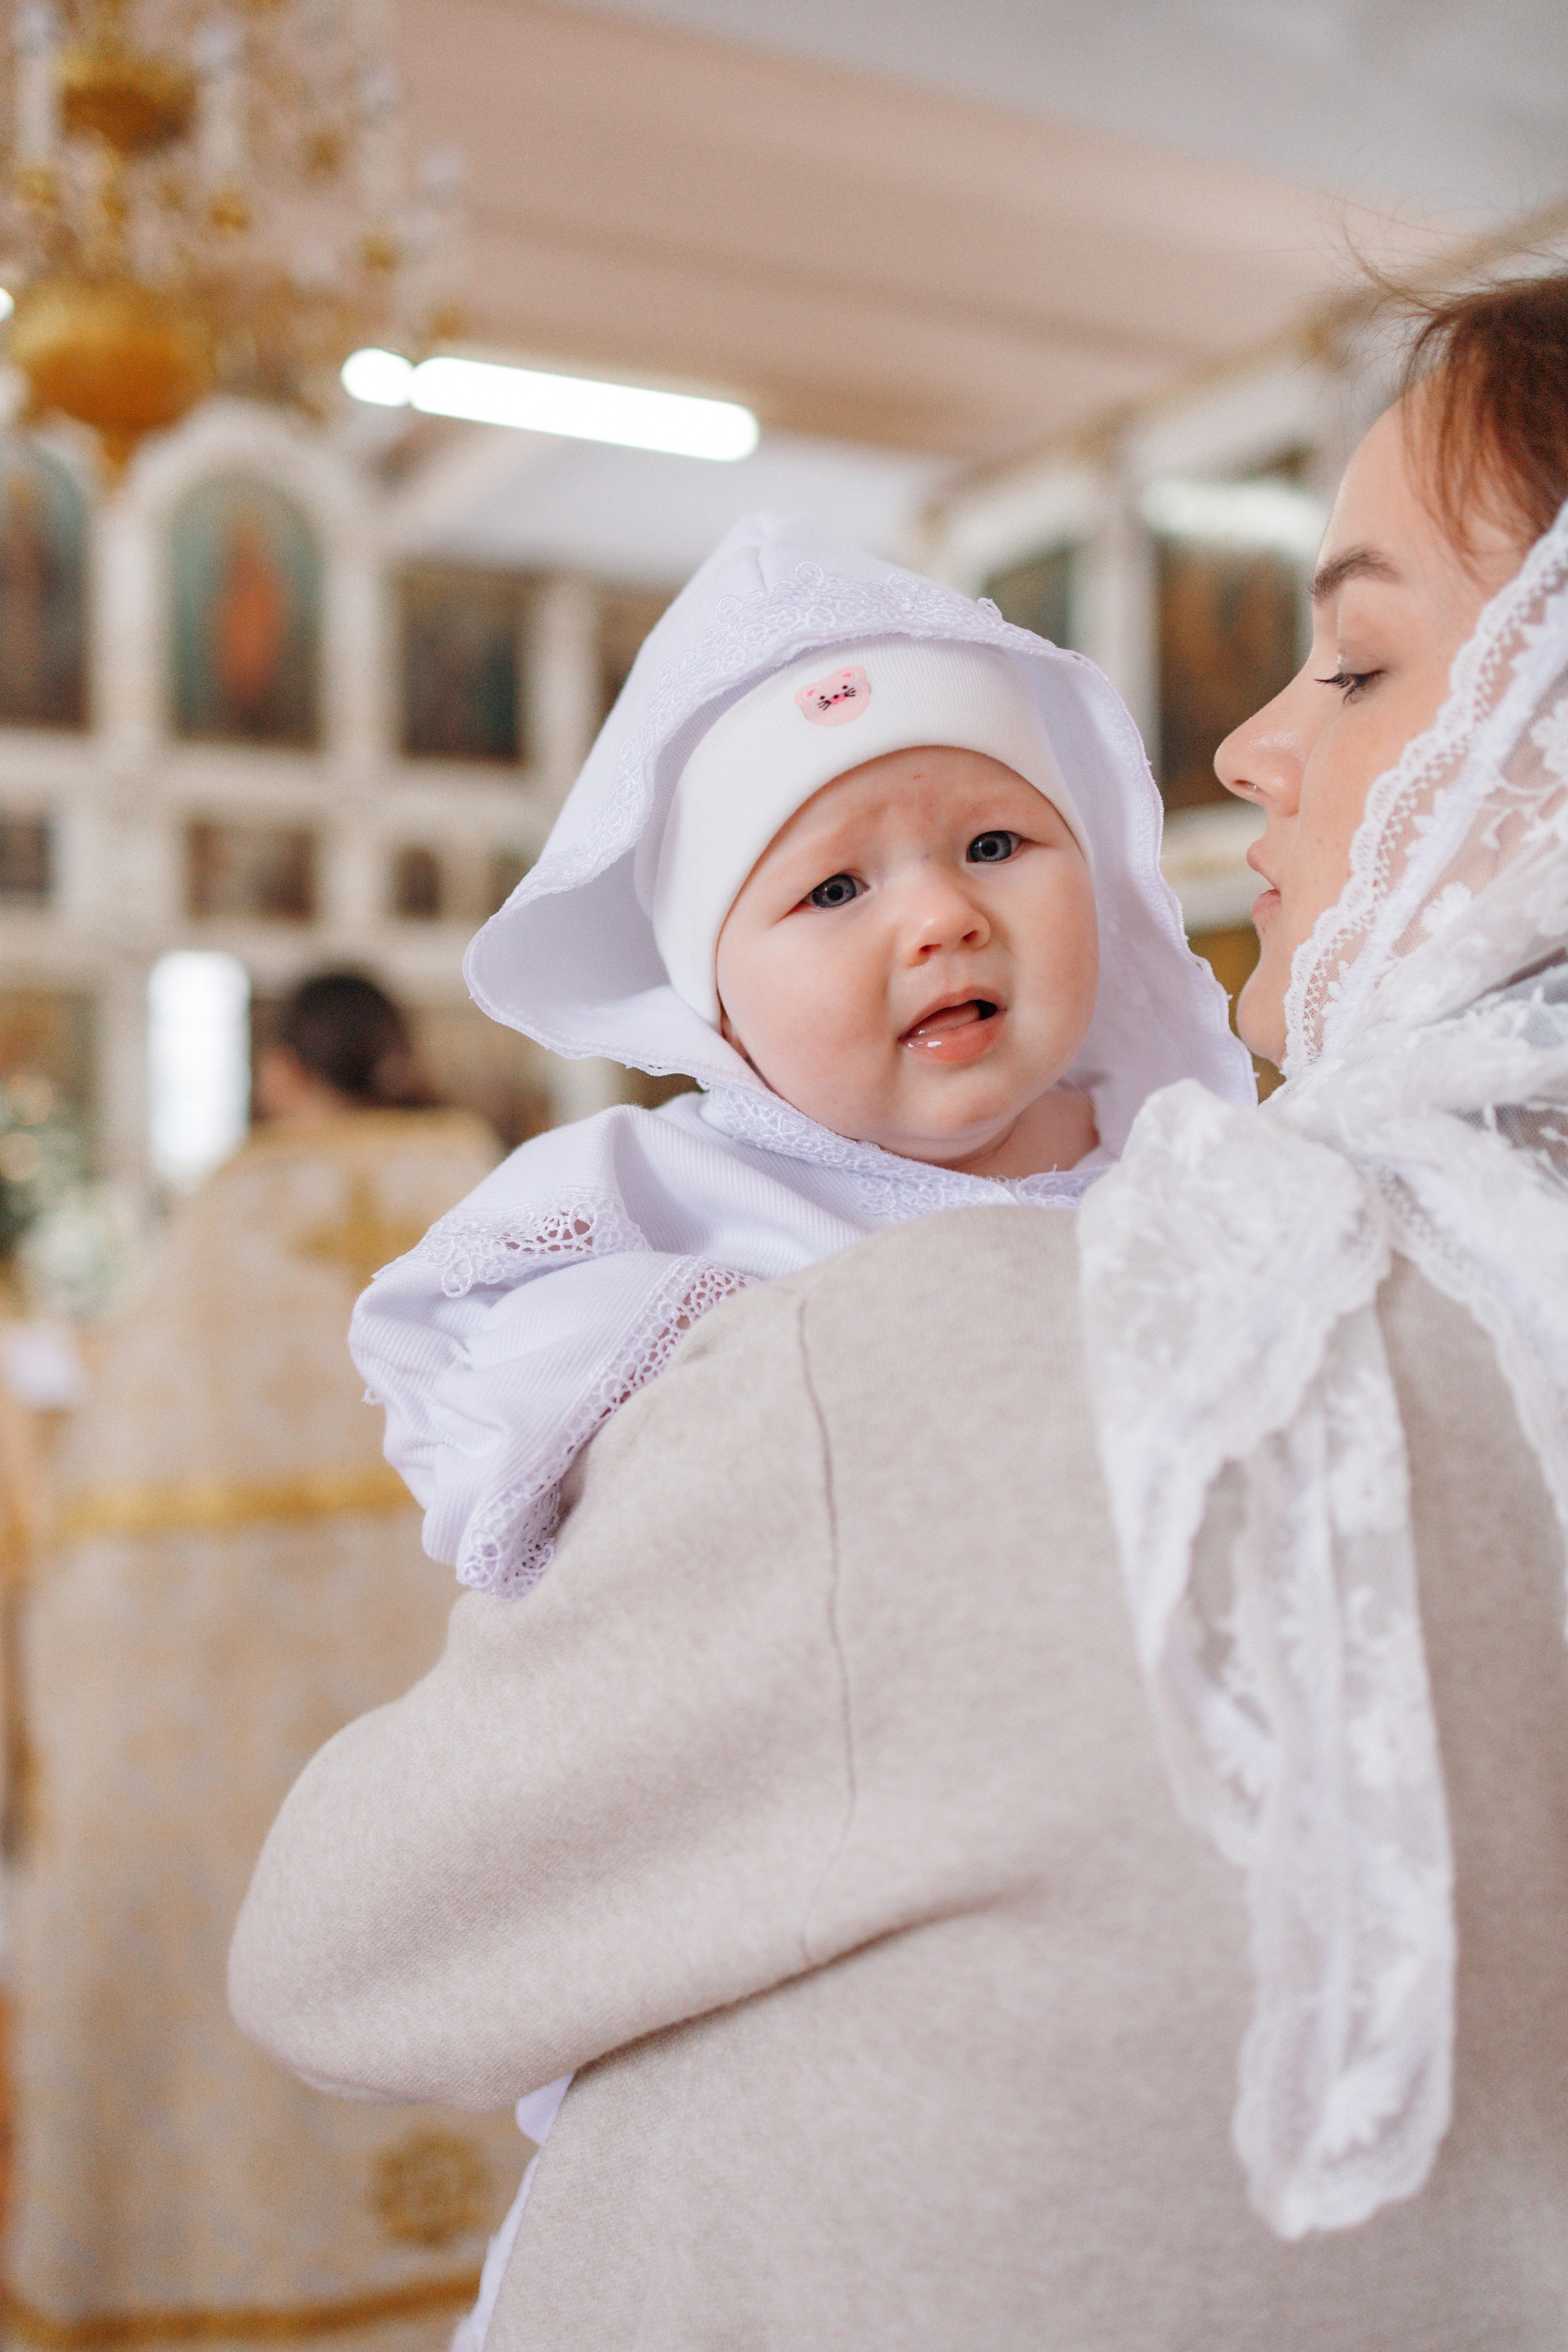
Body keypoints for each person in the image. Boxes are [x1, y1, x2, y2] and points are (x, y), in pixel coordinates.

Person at [232, 271, 1568, 2350]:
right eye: (830, 891)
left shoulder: (995, 1349)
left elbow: (334, 1952)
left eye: (1363, 659)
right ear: (717, 1012)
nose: (1252, 743)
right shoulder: (668, 1243)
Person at [351, 515, 1248, 1605]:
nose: (940, 918)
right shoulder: (656, 1203)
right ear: (716, 1006)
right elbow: (484, 1431)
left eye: (995, 846)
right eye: (834, 890)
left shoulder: (1201, 1175)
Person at [5, 973, 525, 2348]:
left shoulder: (234, 1218)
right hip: (472, 1671)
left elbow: (115, 1491)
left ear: (287, 1073)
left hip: (251, 1705)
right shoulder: (495, 1188)